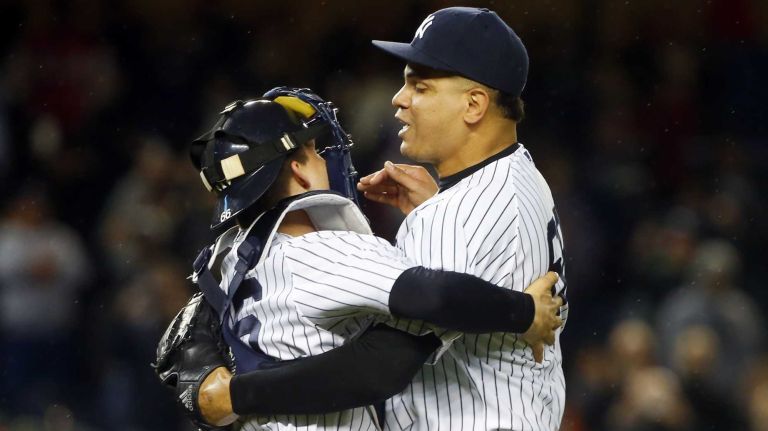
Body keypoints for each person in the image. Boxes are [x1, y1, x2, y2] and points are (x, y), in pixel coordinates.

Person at [154, 87, 563, 430]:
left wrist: (228, 396)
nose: (326, 159)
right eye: (313, 149)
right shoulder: (324, 250)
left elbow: (181, 348)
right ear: (298, 170)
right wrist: (524, 311)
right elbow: (423, 311)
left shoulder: (223, 260)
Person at [356, 6, 569, 430]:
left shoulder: (454, 216)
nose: (399, 100)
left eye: (420, 86)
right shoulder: (524, 175)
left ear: (474, 105)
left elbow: (384, 363)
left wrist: (243, 391)